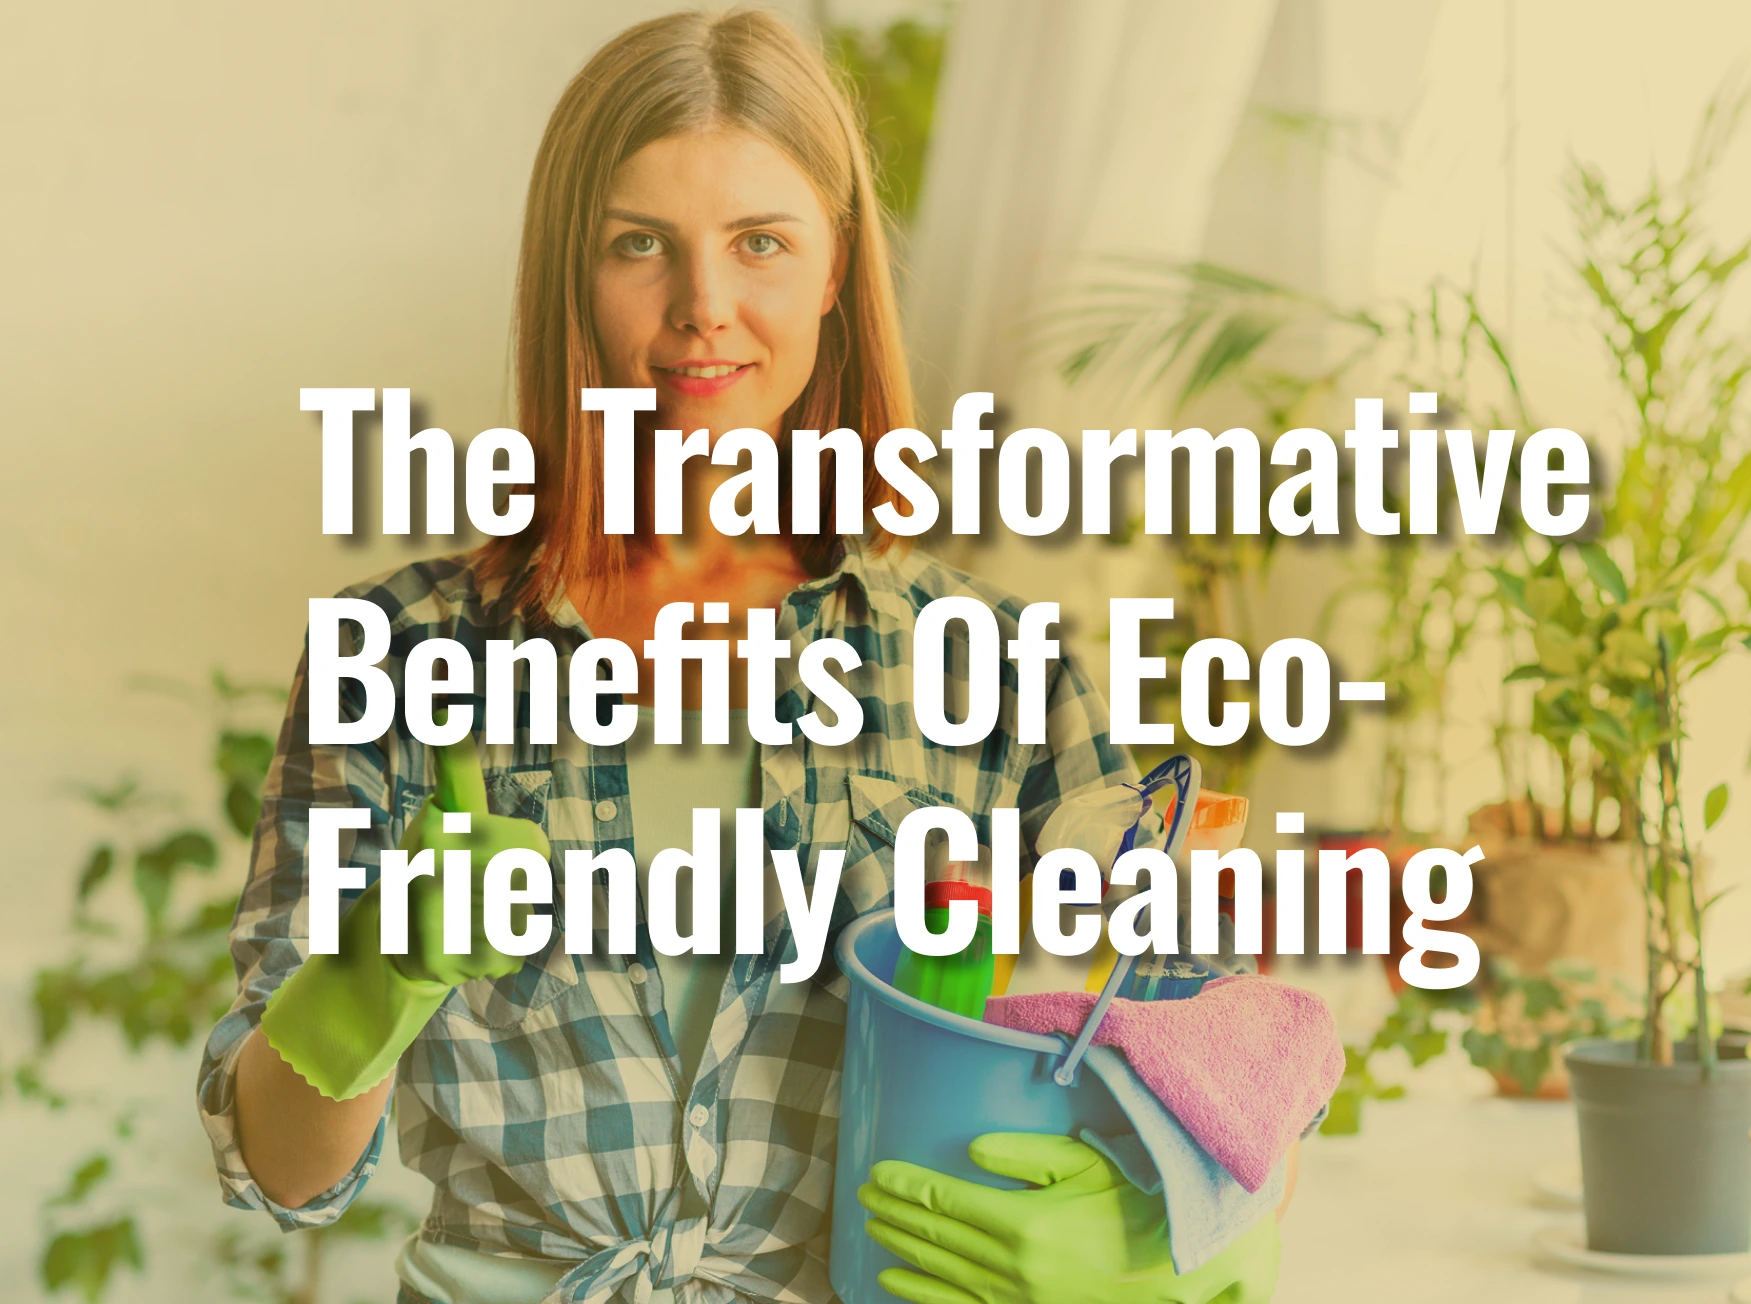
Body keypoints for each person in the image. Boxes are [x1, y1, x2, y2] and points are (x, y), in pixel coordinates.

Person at [198, 10, 1280, 1303]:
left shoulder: (993, 668)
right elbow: (280, 1171)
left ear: (833, 271)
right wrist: (375, 968)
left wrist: (1154, 1238)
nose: (702, 307)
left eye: (759, 242)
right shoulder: (399, 654)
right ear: (570, 276)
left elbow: (1221, 1059)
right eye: (639, 244)